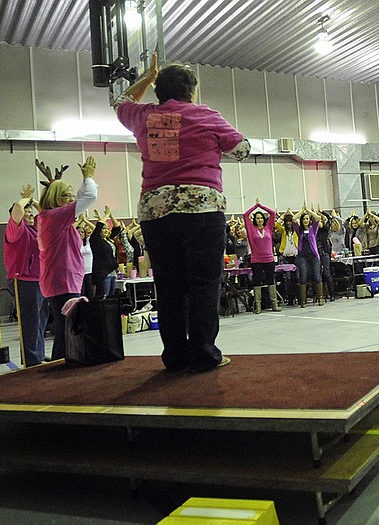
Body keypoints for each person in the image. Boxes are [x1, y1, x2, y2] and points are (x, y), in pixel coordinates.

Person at [114, 52, 249, 373]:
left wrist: (147, 77)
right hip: (201, 208)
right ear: (192, 91)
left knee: (169, 285)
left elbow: (120, 100)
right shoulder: (206, 116)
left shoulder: (144, 117)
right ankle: (204, 355)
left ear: (159, 92)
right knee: (204, 283)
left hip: (156, 211)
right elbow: (242, 150)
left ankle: (175, 358)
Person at [36, 156, 98, 360]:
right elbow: (88, 198)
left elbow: (79, 200)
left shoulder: (51, 218)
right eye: (65, 196)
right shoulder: (55, 218)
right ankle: (60, 365)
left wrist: (83, 182)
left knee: (66, 329)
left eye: (71, 196)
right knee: (66, 329)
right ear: (55, 198)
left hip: (63, 280)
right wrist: (88, 178)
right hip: (63, 281)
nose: (70, 200)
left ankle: (62, 362)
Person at [3, 184, 49, 367]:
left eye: (31, 212)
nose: (31, 214)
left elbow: (45, 213)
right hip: (23, 280)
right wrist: (24, 199)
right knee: (30, 321)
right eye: (27, 212)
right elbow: (18, 210)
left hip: (40, 280)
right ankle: (31, 359)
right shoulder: (16, 230)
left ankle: (38, 353)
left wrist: (33, 202)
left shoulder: (36, 230)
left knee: (41, 320)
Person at [243, 198, 280, 313]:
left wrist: (261, 206)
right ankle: (258, 306)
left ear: (263, 219)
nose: (259, 220)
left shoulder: (268, 227)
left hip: (269, 259)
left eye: (260, 218)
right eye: (257, 218)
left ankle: (274, 304)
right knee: (257, 281)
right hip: (256, 260)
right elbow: (245, 215)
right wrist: (255, 207)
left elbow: (272, 213)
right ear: (254, 220)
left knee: (271, 280)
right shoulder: (251, 230)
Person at [292, 203, 324, 307]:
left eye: (307, 219)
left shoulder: (313, 229)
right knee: (303, 277)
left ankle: (320, 298)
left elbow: (318, 218)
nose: (306, 220)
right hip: (302, 257)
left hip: (314, 255)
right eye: (304, 219)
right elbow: (293, 219)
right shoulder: (299, 230)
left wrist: (309, 211)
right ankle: (303, 301)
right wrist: (302, 211)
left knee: (316, 276)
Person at [90, 206, 122, 297]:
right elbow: (99, 226)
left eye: (108, 229)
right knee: (104, 297)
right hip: (103, 274)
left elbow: (117, 228)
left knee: (111, 297)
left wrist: (110, 215)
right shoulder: (96, 241)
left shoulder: (109, 240)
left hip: (112, 272)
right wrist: (105, 216)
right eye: (104, 229)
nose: (106, 231)